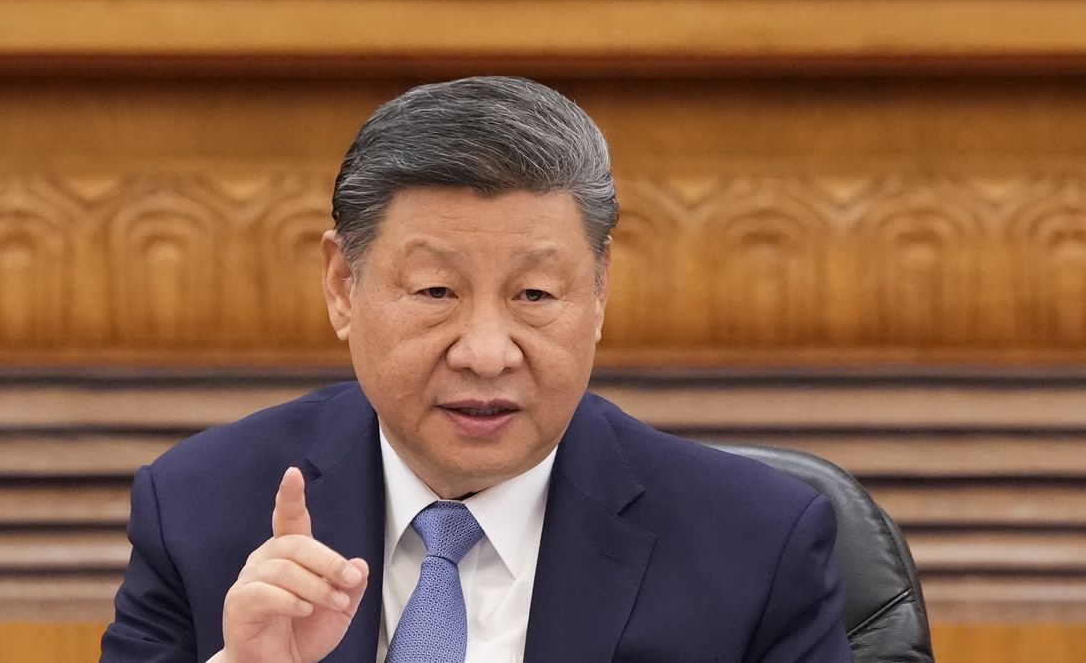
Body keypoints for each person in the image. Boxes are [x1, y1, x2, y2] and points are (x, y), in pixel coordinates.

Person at [101, 76, 852, 663]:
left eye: (533, 294)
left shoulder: (754, 544)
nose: (486, 352)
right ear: (342, 286)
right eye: (436, 292)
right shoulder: (200, 512)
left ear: (597, 293)